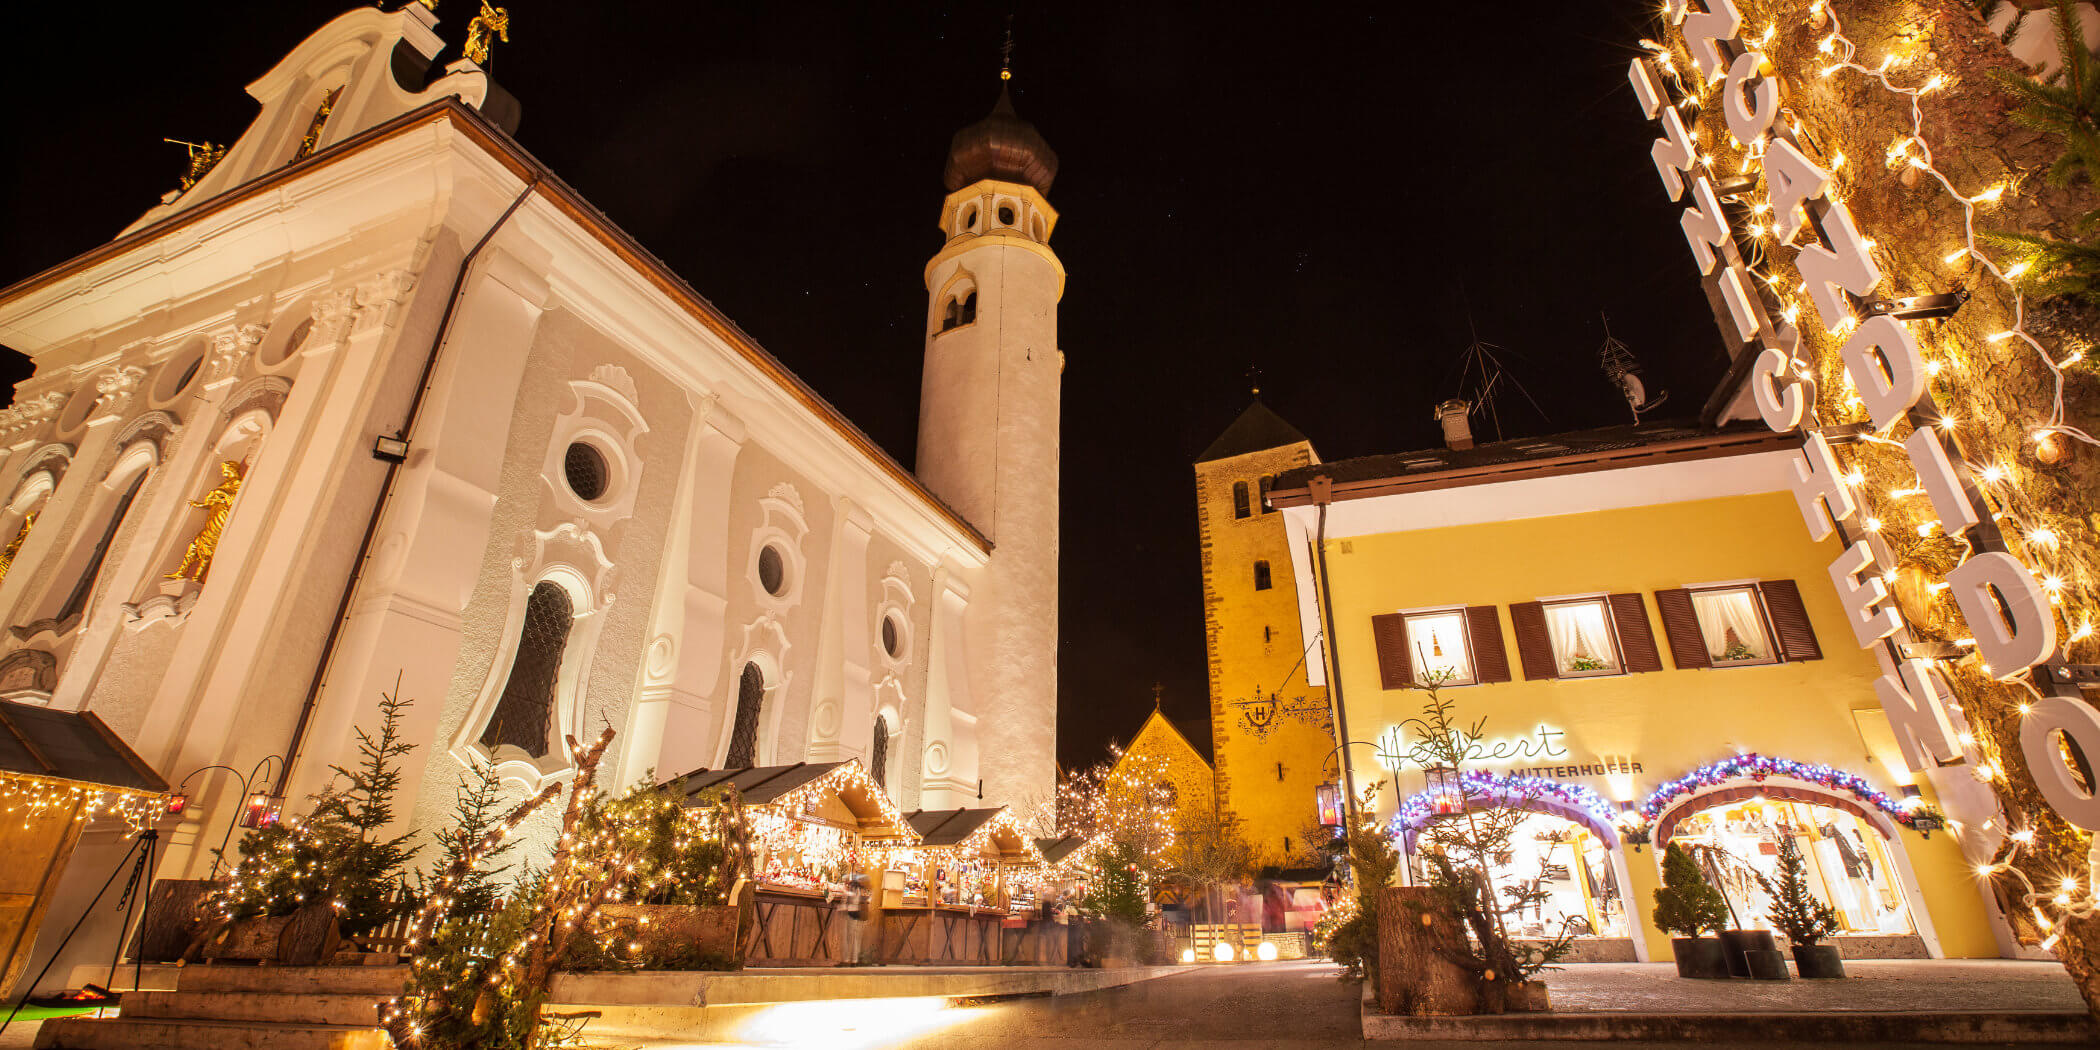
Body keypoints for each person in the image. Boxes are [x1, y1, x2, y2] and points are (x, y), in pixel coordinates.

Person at [842, 873, 869, 966]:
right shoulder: (862, 890)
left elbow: (853, 900)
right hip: (860, 915)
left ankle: (847, 960)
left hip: (852, 913)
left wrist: (844, 892)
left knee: (849, 937)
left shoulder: (854, 889)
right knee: (856, 938)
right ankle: (854, 960)